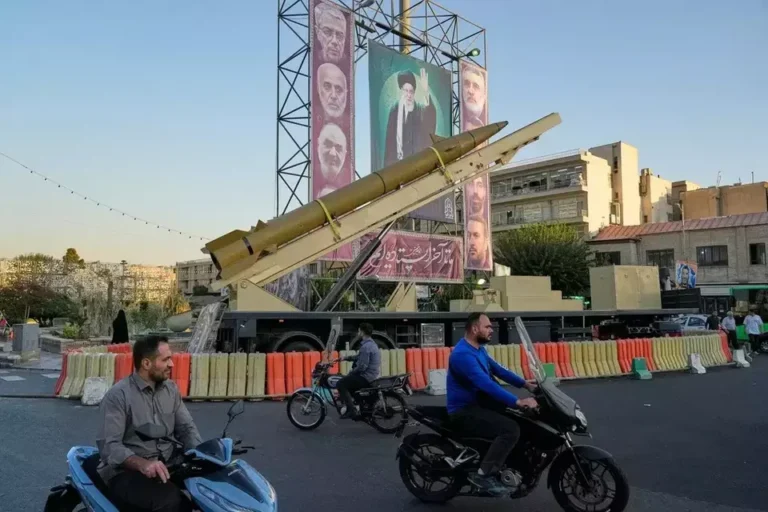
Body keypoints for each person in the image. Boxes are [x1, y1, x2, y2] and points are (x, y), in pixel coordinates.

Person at [96, 336, 202, 512]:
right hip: (126, 472)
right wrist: (143, 464)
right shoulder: (118, 396)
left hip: (168, 463)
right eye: (165, 359)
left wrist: (201, 454)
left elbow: (186, 428)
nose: (172, 364)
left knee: (210, 487)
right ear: (146, 363)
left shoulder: (170, 389)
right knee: (173, 502)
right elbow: (110, 446)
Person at [447, 313, 538, 495]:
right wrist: (517, 401)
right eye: (487, 326)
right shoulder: (462, 355)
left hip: (482, 403)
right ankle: (483, 474)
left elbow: (499, 370)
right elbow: (486, 384)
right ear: (475, 329)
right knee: (510, 430)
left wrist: (526, 384)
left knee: (521, 421)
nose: (492, 330)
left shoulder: (478, 349)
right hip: (465, 410)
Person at [383, 69, 437, 166]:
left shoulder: (420, 110)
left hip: (417, 163)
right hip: (398, 165)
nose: (408, 95)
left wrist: (425, 91)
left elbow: (430, 115)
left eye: (411, 91)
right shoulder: (394, 111)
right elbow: (389, 143)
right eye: (406, 91)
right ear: (401, 91)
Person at [337, 323, 381, 419]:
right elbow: (359, 357)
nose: (358, 333)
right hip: (372, 375)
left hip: (367, 377)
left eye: (359, 331)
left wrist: (351, 373)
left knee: (341, 383)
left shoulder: (366, 347)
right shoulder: (372, 344)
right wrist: (345, 358)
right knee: (350, 382)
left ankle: (351, 410)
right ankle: (357, 404)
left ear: (362, 332)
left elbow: (362, 367)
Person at [460, 63, 487, 131]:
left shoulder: (483, 127)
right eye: (466, 84)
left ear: (483, 96)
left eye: (476, 86)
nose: (470, 91)